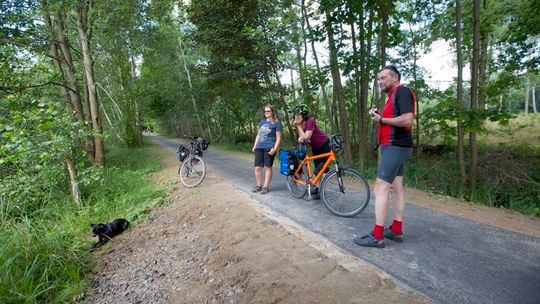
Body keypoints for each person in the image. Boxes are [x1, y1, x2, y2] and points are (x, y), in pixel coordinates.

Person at [354, 65, 416, 248]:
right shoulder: (392, 97)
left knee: (380, 188)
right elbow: (396, 119)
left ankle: (377, 236)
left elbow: (407, 119)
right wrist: (381, 117)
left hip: (396, 147)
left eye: (383, 78)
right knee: (396, 188)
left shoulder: (402, 91)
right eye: (378, 79)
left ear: (395, 77)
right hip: (396, 147)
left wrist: (381, 120)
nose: (380, 81)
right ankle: (396, 230)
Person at [292, 104, 331, 197]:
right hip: (315, 147)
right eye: (295, 115)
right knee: (318, 170)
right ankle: (318, 189)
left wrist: (298, 127)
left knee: (322, 169)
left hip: (324, 145)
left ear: (304, 115)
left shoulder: (310, 121)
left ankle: (321, 190)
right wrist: (300, 138)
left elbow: (307, 136)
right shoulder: (301, 123)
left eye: (298, 115)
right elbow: (303, 136)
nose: (296, 117)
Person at [251, 104, 282, 194]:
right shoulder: (262, 122)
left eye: (268, 111)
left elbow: (279, 137)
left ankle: (265, 187)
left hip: (269, 147)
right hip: (259, 147)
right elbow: (258, 135)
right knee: (257, 168)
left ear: (272, 112)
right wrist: (254, 145)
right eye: (265, 111)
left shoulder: (276, 123)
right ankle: (259, 185)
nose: (266, 113)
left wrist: (275, 149)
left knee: (268, 167)